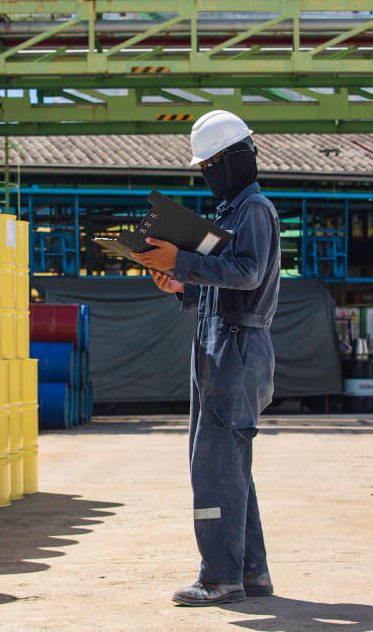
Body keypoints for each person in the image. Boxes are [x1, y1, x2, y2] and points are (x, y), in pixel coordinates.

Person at [133, 110, 281, 607]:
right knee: (228, 467)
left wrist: (184, 260)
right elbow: (219, 287)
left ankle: (220, 578)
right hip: (219, 342)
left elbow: (247, 275)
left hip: (237, 347)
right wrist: (181, 282)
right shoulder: (229, 214)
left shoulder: (254, 210)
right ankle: (251, 574)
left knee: (215, 467)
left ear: (236, 158)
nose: (208, 174)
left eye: (212, 163)